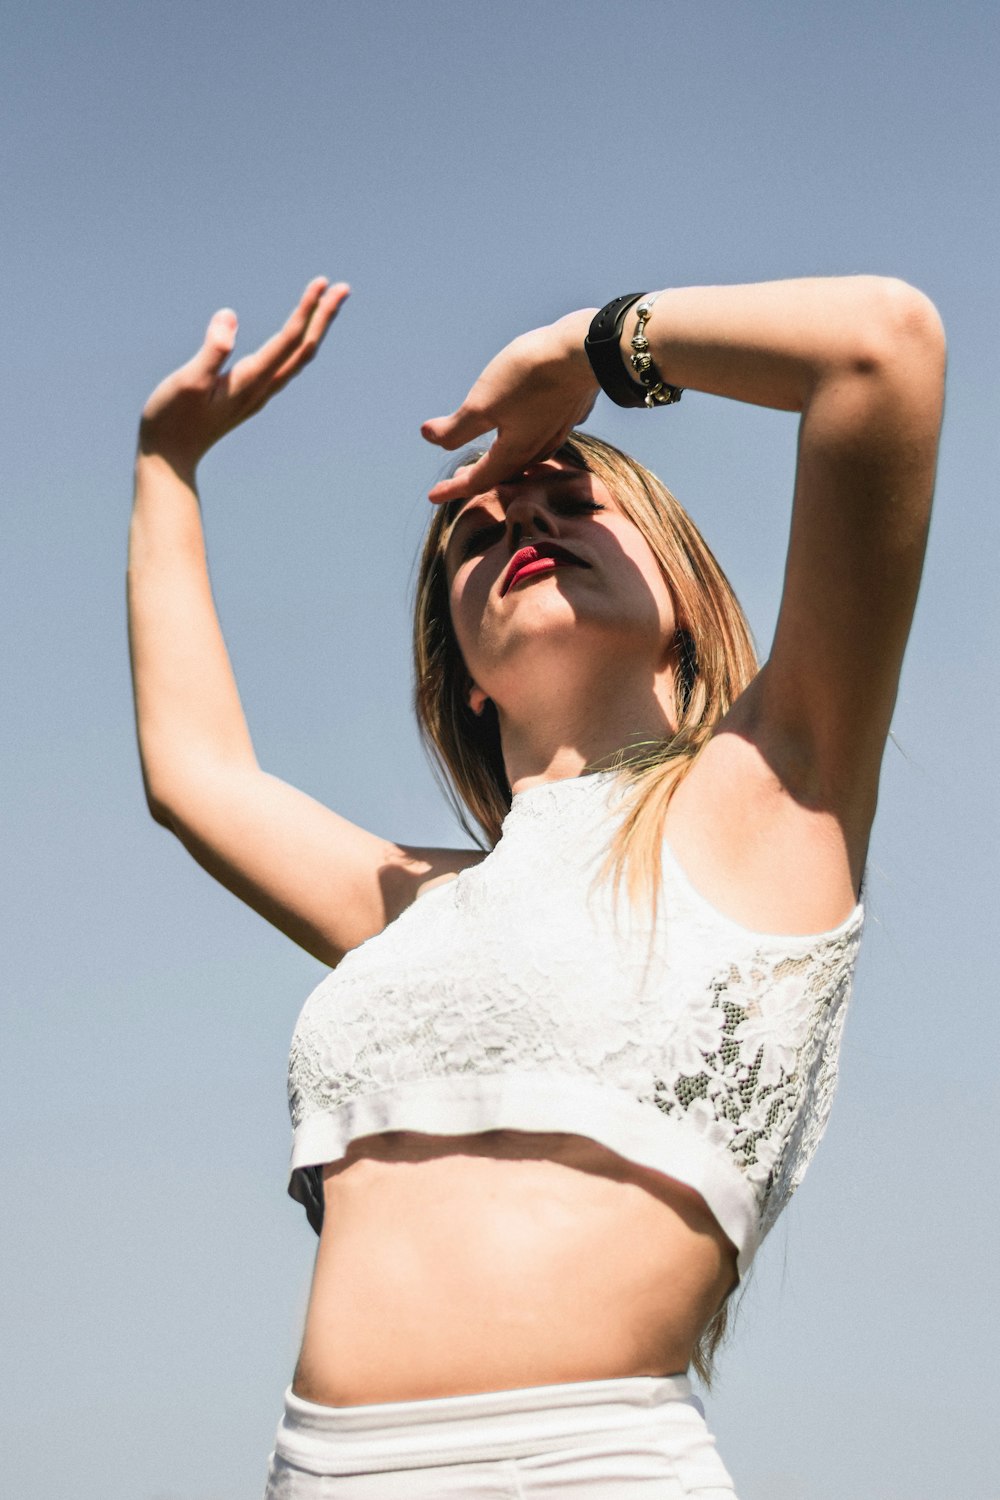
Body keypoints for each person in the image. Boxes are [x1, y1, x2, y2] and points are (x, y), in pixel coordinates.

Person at [129, 273, 945, 1498]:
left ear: (678, 590)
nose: (521, 523)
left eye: (569, 494)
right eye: (476, 531)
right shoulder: (420, 913)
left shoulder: (775, 795)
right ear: (460, 670)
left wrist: (590, 350)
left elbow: (885, 349)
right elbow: (196, 776)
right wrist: (165, 464)